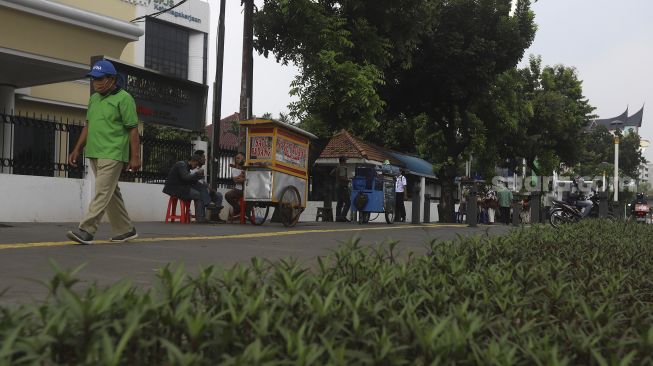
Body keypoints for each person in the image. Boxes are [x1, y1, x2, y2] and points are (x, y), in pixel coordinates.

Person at [66, 60, 140, 245]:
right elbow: (88, 126)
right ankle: (125, 230)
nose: (96, 83)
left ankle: (87, 230)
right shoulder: (94, 99)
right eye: (93, 79)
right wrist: (77, 148)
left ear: (111, 79)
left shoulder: (124, 98)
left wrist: (135, 156)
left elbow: (132, 129)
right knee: (110, 192)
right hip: (95, 152)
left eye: (99, 79)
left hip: (113, 152)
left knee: (102, 191)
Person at [163, 155, 211, 223]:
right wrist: (197, 174)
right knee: (198, 195)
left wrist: (200, 179)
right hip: (175, 189)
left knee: (200, 186)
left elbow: (189, 179)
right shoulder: (181, 164)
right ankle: (201, 218)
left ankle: (207, 204)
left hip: (181, 187)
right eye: (196, 164)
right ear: (193, 161)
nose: (195, 167)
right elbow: (185, 177)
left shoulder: (186, 166)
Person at [191, 149, 225, 223]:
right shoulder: (192, 169)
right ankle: (204, 212)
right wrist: (206, 186)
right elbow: (196, 183)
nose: (205, 159)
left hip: (204, 191)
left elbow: (203, 182)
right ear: (198, 159)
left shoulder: (201, 169)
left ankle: (214, 216)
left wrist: (210, 188)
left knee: (218, 195)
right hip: (198, 191)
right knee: (200, 197)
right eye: (203, 157)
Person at [225, 152, 245, 218]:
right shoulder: (234, 169)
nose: (237, 160)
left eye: (239, 158)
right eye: (236, 158)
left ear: (244, 159)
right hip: (239, 189)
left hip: (248, 189)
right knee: (227, 195)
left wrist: (242, 178)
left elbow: (241, 179)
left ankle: (243, 211)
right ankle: (238, 208)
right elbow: (236, 180)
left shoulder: (247, 167)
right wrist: (243, 177)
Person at [330, 157, 351, 222]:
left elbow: (331, 174)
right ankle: (343, 216)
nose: (346, 162)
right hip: (343, 186)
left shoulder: (337, 167)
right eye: (345, 161)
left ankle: (338, 217)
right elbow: (342, 177)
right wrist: (349, 180)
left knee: (340, 202)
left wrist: (337, 178)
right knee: (348, 202)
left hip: (337, 186)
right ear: (343, 161)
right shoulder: (342, 167)